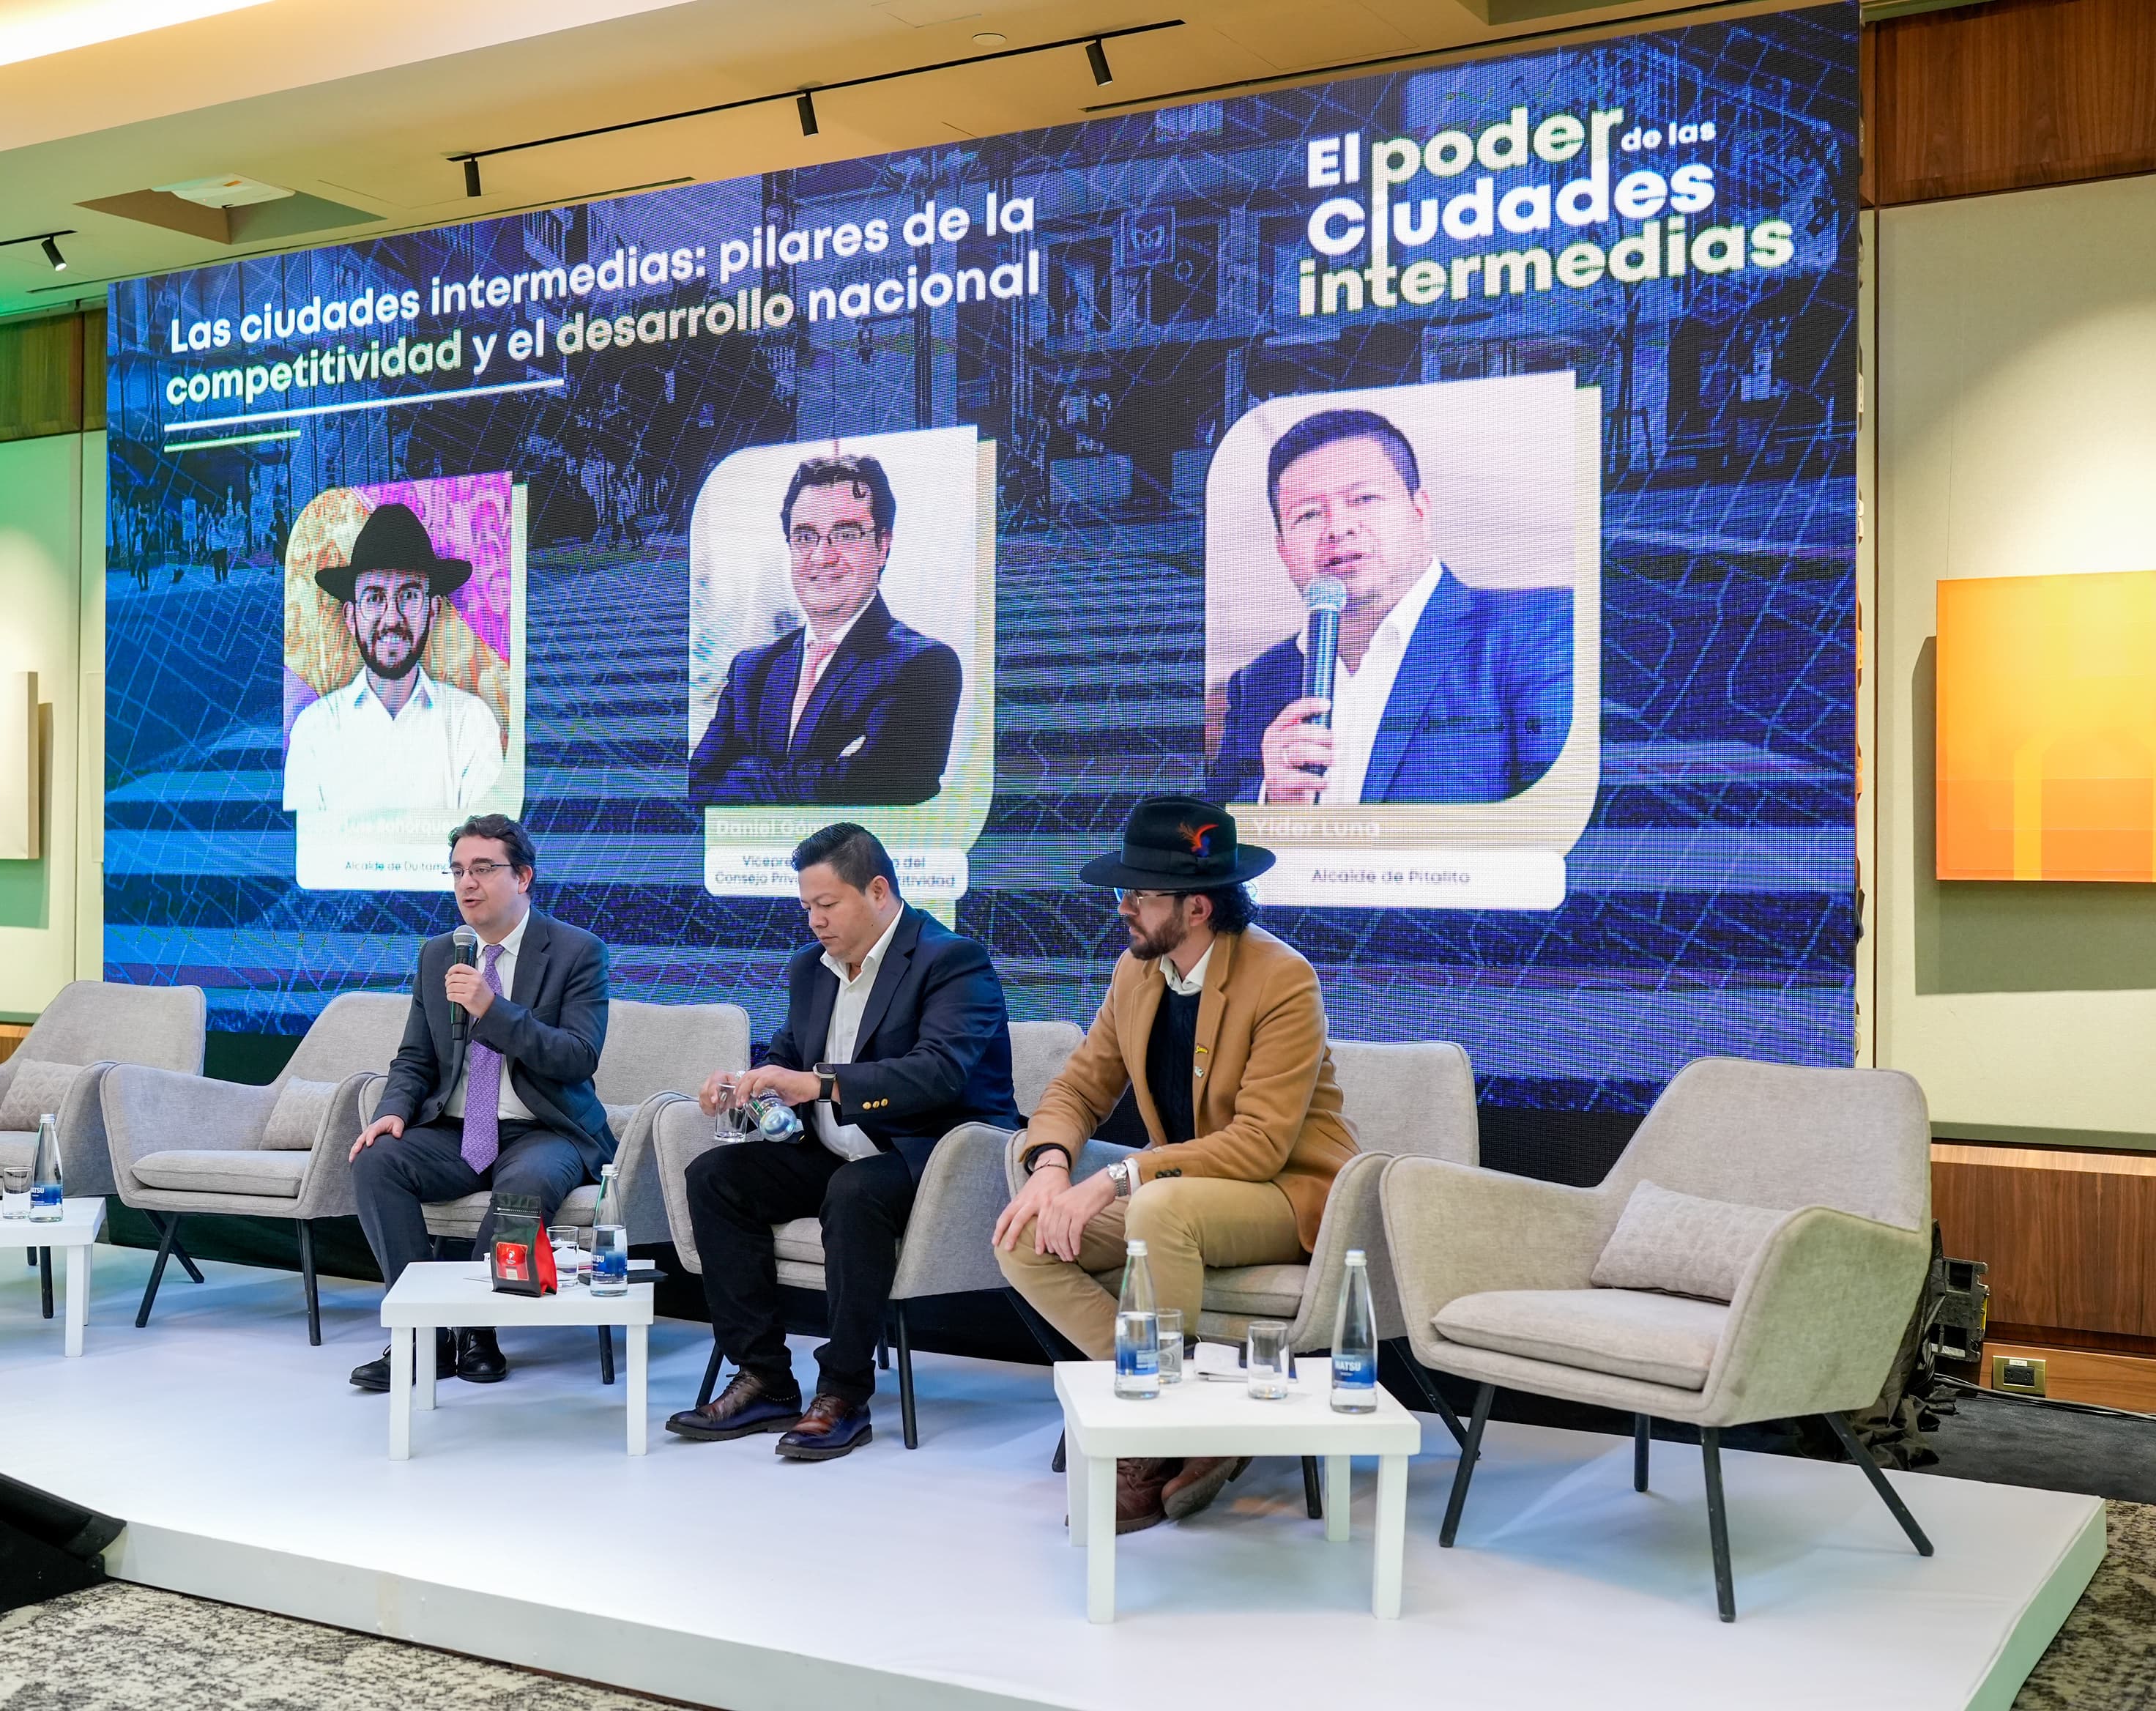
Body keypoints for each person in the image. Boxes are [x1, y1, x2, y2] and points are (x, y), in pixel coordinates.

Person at [994, 795, 1358, 1532]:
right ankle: (1191, 1406)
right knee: (1023, 1235)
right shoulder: (1137, 973)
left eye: (1140, 894)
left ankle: (1151, 1434)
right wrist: (1053, 1166)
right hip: (1189, 1194)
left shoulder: (1282, 978)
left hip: (1286, 1194)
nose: (1123, 907)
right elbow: (1076, 1088)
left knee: (1160, 1206)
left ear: (1197, 907)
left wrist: (1116, 1177)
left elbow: (1258, 1144)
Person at [666, 823, 1019, 1459]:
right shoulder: (812, 968)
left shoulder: (951, 960)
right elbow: (790, 1055)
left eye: (827, 904)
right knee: (715, 1176)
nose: (814, 921)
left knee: (856, 1191)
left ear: (878, 891)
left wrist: (819, 1084)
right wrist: (746, 1084)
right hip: (835, 1153)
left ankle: (843, 1394)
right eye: (807, 906)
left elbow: (939, 1073)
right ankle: (764, 1378)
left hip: (932, 1157)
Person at [346, 813, 612, 1391]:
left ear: (523, 878)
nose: (467, 883)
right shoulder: (440, 954)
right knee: (376, 1161)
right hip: (457, 1130)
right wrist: (392, 1111)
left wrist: (494, 1010)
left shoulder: (576, 952)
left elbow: (577, 1057)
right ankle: (422, 1334)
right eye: (458, 871)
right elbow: (415, 1057)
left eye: (484, 869)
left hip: (546, 1129)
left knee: (525, 1187)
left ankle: (478, 1331)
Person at [1206, 408, 1572, 806]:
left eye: (1364, 499)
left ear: (1419, 511)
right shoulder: (1258, 681)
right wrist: (1271, 804)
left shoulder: (1539, 626)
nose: (1338, 528)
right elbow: (1212, 829)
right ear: (1283, 549)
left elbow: (1562, 813)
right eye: (1308, 515)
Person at [689, 453, 962, 806]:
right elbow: (699, 783)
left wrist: (746, 774)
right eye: (805, 537)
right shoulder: (751, 670)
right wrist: (827, 773)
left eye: (846, 535)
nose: (822, 557)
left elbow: (888, 781)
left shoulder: (925, 664)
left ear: (883, 546)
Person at [283, 501, 505, 817]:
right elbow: (309, 843)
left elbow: (483, 842)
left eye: (409, 596)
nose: (392, 618)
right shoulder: (313, 730)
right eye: (374, 598)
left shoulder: (472, 723)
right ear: (351, 617)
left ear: (432, 611)